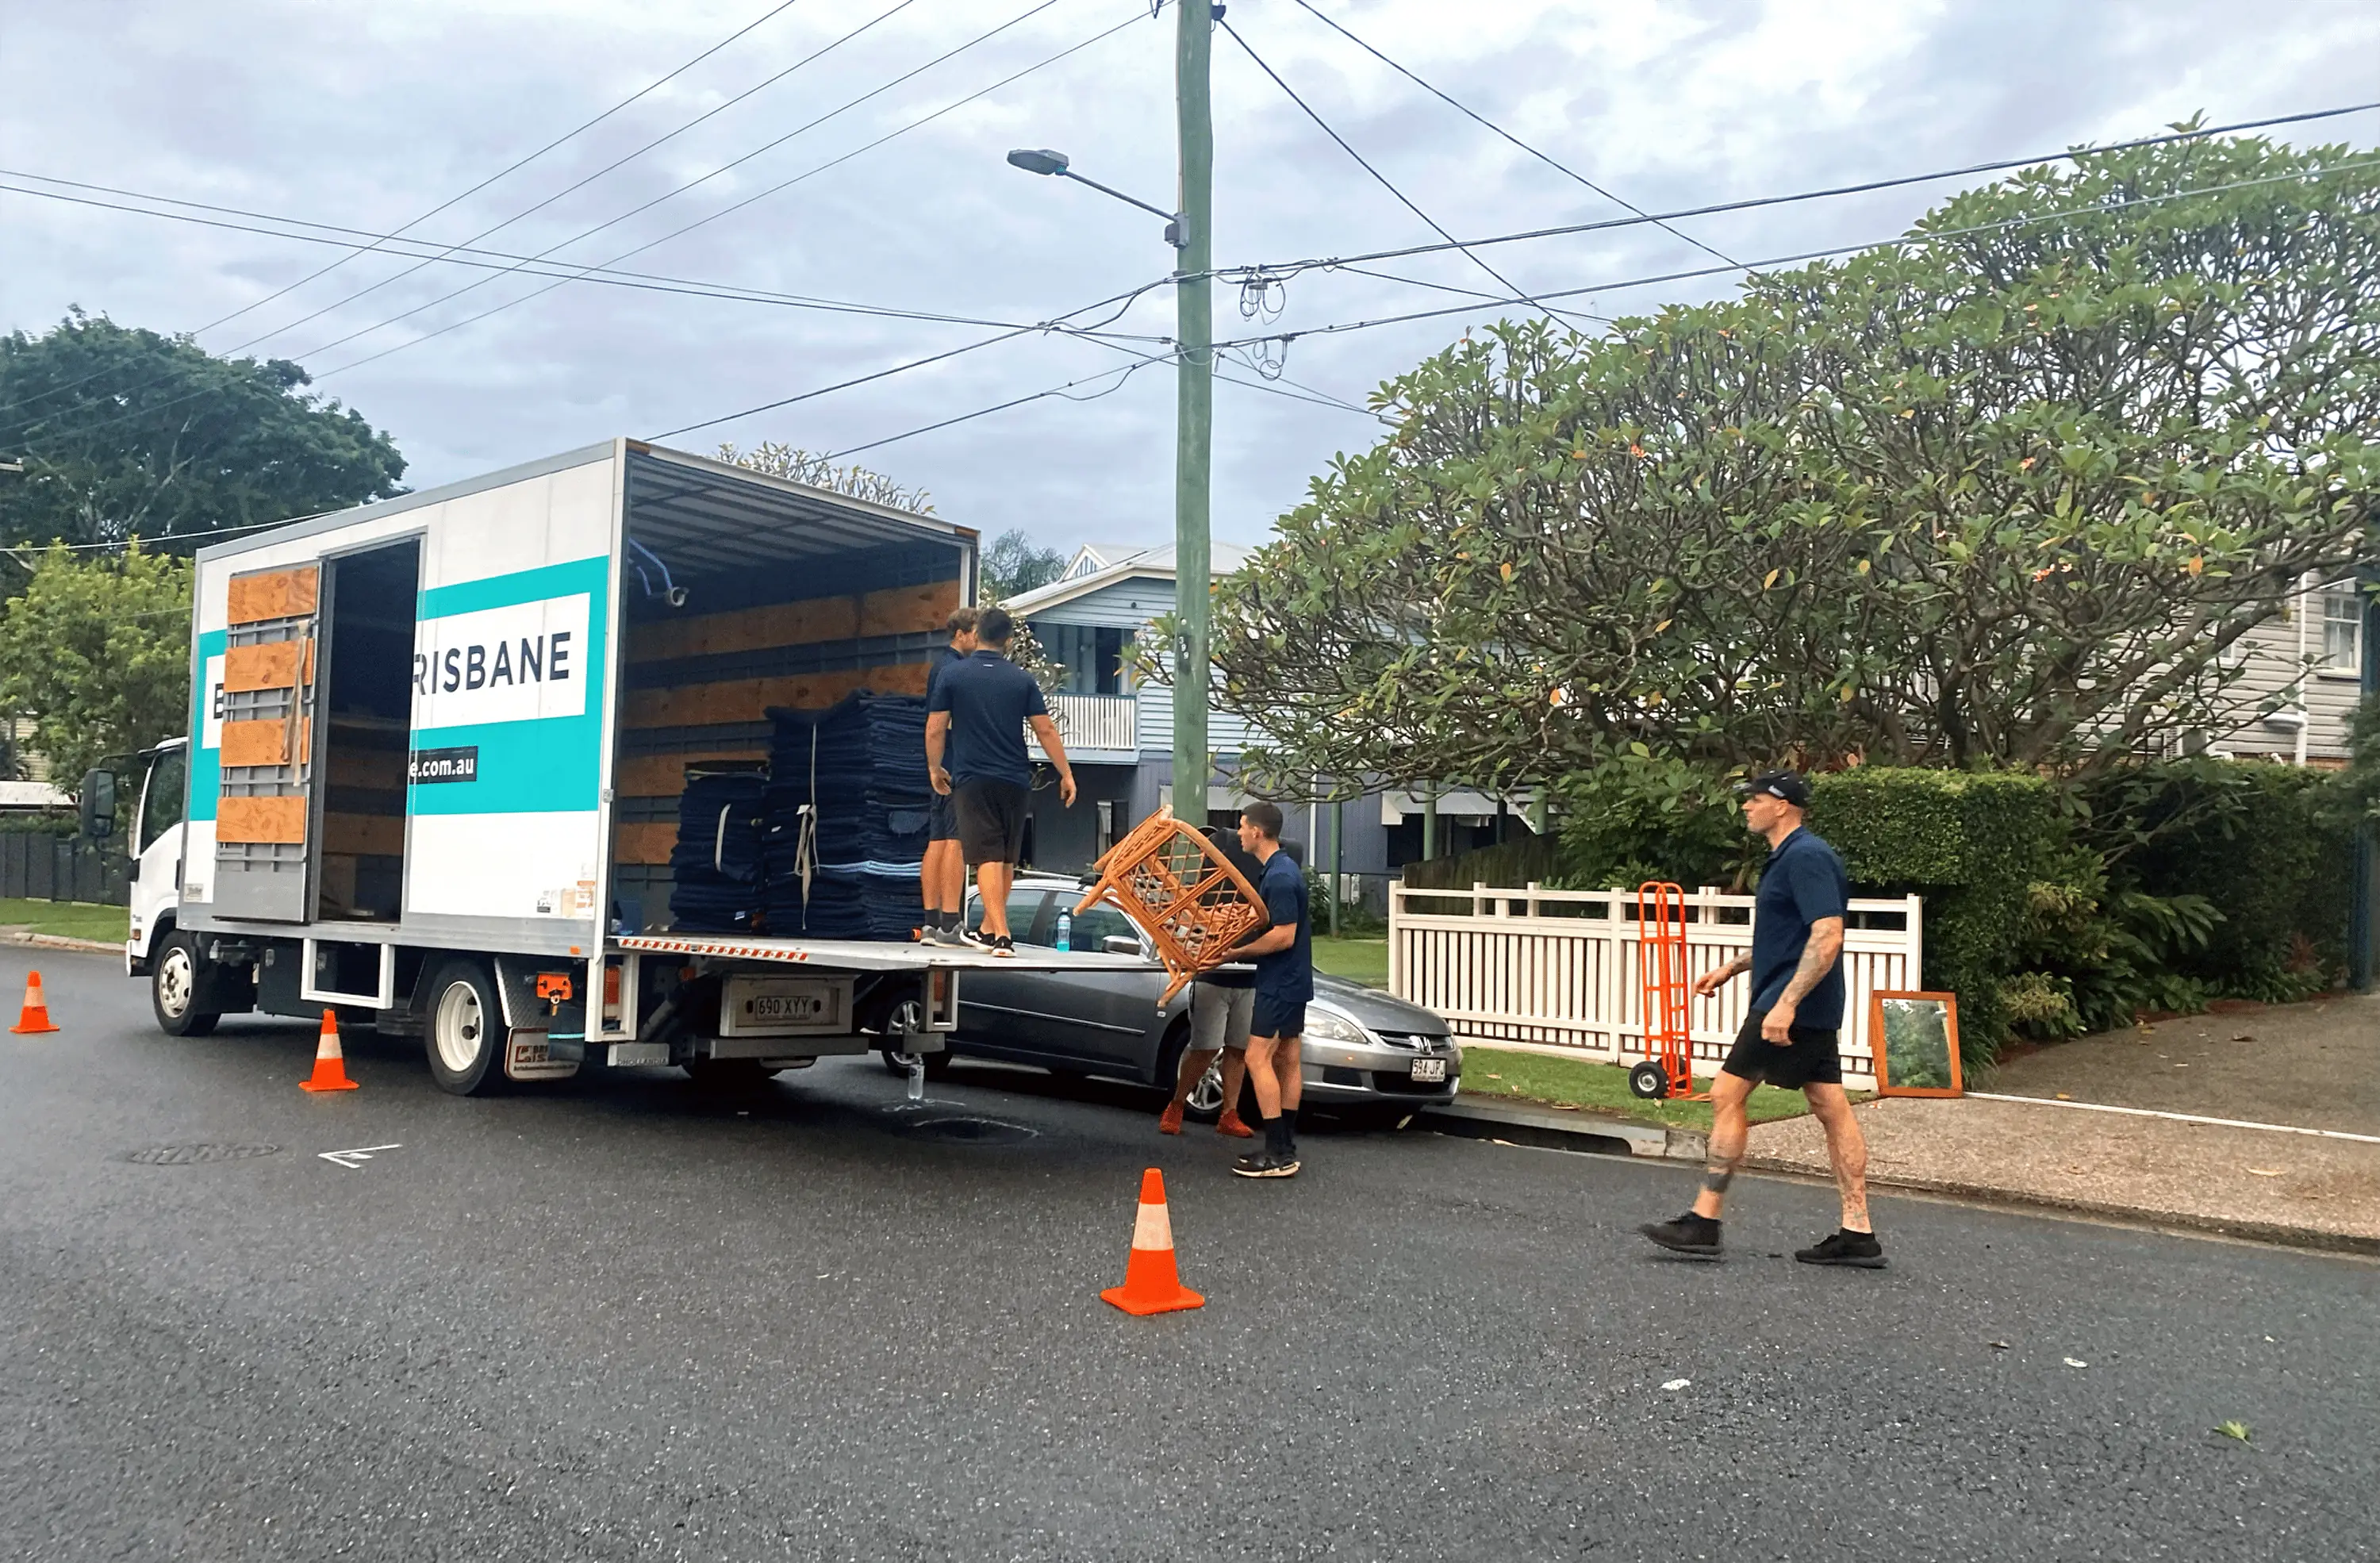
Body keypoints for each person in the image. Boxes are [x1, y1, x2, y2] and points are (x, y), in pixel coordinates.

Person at [1639, 770, 1883, 1267]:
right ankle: (1858, 1233)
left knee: (1727, 1095)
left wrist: (1788, 1003)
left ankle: (1704, 1222)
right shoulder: (1787, 858)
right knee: (1830, 1104)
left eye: (1755, 799)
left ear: (1784, 805)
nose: (1747, 807)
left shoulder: (1809, 857)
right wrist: (1734, 966)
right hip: (1795, 1001)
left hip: (1789, 1006)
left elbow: (1828, 936)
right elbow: (1790, 939)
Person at [924, 606, 1075, 957]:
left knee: (987, 857)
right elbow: (1046, 729)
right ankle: (989, 931)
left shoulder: (954, 675)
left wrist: (934, 768)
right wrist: (1065, 773)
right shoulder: (1022, 679)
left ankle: (1002, 935)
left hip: (974, 778)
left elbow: (934, 729)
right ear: (1008, 640)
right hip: (1016, 779)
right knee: (1006, 858)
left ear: (976, 635)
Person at [1156, 825, 1260, 1140]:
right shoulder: (1204, 890)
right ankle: (1177, 1103)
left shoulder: (1259, 879)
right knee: (1204, 1047)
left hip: (1249, 976)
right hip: (1213, 977)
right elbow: (1184, 926)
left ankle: (1229, 1113)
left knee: (1238, 1048)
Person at [1226, 801, 1311, 1178]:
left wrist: (1240, 951)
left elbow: (1282, 936)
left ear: (1257, 832)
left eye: (1242, 827)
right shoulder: (1284, 868)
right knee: (1288, 1058)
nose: (1240, 833)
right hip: (1295, 980)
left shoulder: (1278, 876)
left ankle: (1278, 1153)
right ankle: (1286, 1145)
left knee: (1256, 1059)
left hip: (1280, 982)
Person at [917, 609, 981, 947]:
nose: (979, 640)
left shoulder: (938, 667)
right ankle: (951, 925)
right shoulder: (957, 670)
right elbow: (946, 721)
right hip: (958, 763)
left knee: (938, 840)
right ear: (960, 634)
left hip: (941, 763)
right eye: (976, 634)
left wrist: (932, 764)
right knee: (956, 841)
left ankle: (930, 923)